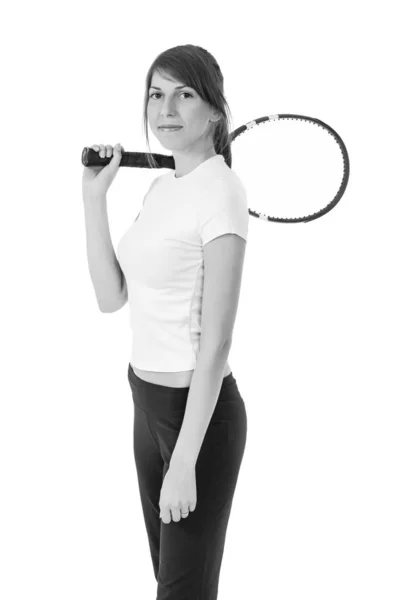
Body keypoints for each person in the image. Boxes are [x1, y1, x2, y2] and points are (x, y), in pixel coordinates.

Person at [82, 44, 248, 600]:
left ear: (215, 112)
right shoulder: (161, 187)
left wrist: (185, 462)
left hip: (196, 421)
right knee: (171, 581)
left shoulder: (222, 192)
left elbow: (218, 341)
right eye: (157, 94)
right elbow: (112, 297)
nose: (166, 109)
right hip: (144, 401)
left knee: (182, 592)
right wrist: (93, 199)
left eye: (185, 94)